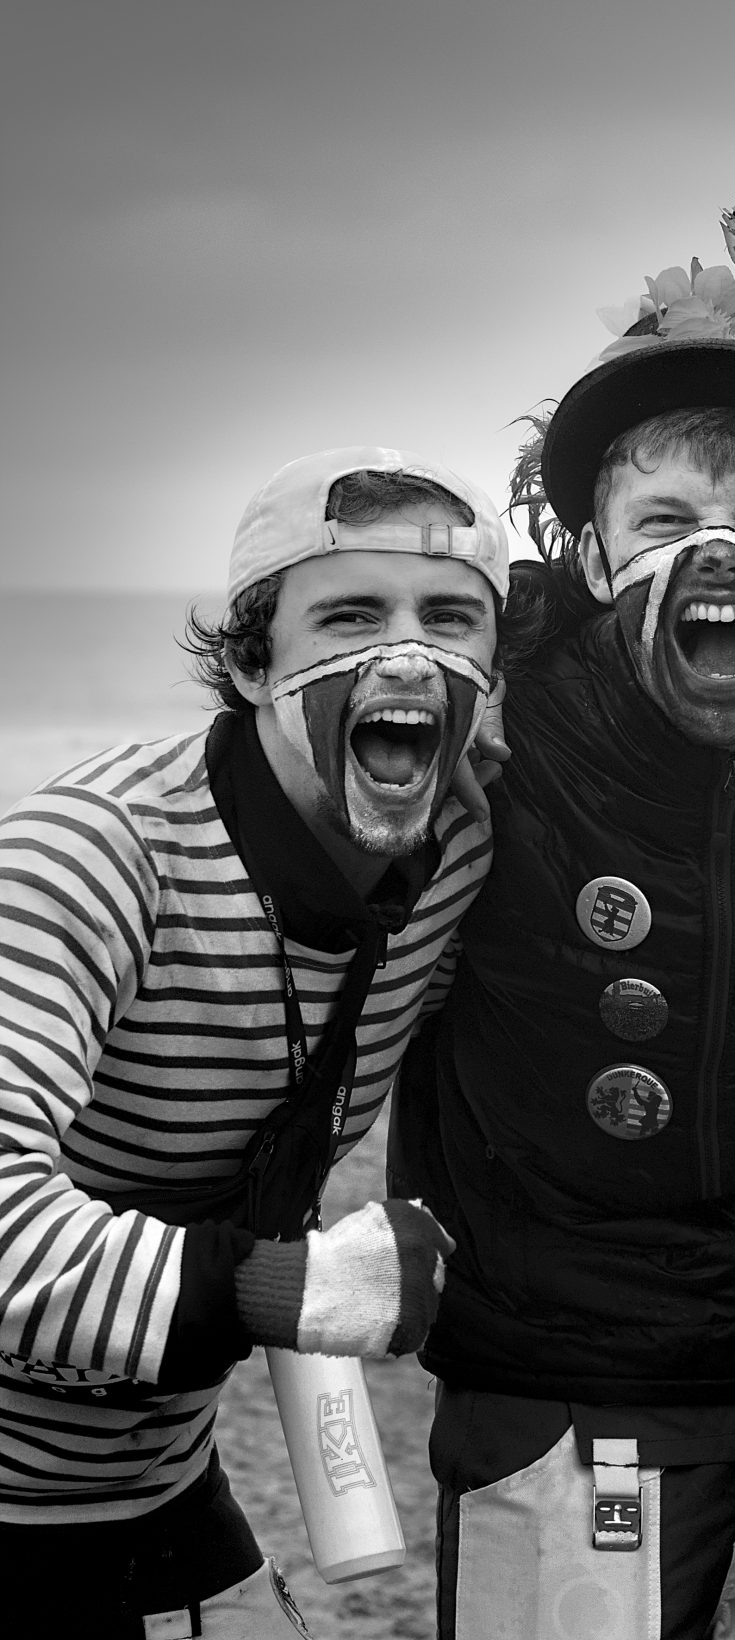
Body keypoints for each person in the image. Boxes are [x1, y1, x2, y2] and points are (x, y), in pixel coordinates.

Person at [393, 178, 735, 1638]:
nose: (718, 551)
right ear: (589, 557)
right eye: (666, 519)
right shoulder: (491, 736)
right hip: (555, 1402)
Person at [0, 448, 502, 1635]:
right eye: (350, 615)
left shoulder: (456, 854)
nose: (406, 655)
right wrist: (298, 1285)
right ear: (250, 663)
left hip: (158, 1486)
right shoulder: (91, 855)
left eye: (449, 619)